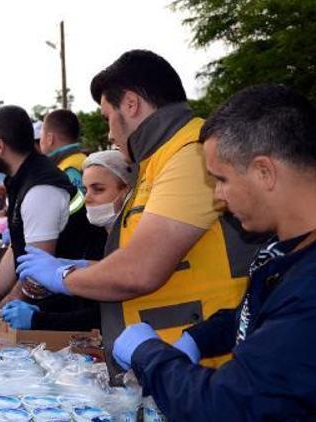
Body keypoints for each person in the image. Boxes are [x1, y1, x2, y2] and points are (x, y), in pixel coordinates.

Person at [16, 50, 263, 374]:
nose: (108, 133)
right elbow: (158, 254)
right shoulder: (157, 161)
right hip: (168, 363)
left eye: (107, 117)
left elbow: (140, 270)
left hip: (206, 367)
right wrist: (86, 267)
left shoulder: (191, 156)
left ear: (131, 104)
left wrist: (65, 277)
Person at [112, 85, 316, 420]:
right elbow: (258, 316)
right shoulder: (286, 251)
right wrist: (198, 338)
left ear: (265, 172)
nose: (219, 197)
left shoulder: (309, 287)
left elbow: (226, 405)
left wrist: (150, 355)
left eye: (221, 179)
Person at [1, 150, 132, 331]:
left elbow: (102, 314)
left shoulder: (133, 239)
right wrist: (42, 308)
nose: (88, 198)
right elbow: (79, 302)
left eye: (98, 189)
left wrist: (39, 319)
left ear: (126, 190)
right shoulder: (93, 234)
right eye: (85, 190)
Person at [40, 109, 87, 194]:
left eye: (41, 135)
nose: (40, 141)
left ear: (50, 138)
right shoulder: (84, 159)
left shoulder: (66, 170)